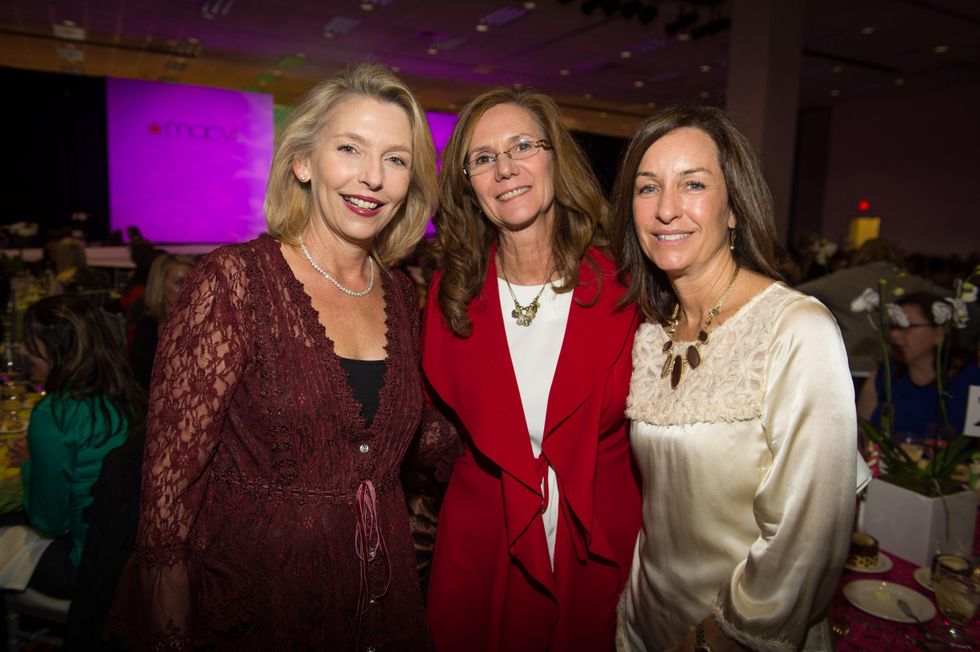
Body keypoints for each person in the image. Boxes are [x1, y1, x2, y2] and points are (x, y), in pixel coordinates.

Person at [108, 64, 451, 650]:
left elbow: (421, 436)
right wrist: (168, 628)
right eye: (350, 148)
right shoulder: (233, 282)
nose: (372, 178)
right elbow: (169, 488)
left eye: (396, 159)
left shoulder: (400, 293)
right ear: (302, 163)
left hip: (380, 595)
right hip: (260, 600)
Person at [611, 105, 863, 651]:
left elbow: (810, 531)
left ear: (733, 209)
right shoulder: (652, 333)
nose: (667, 209)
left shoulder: (796, 329)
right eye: (648, 188)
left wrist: (722, 636)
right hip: (645, 621)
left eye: (693, 184)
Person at [422, 87, 642, 650]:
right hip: (483, 543)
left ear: (555, 158)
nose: (505, 169)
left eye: (523, 145)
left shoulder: (626, 286)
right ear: (468, 185)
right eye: (483, 158)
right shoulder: (450, 296)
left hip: (598, 540)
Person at [5, 294, 144, 599]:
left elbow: (49, 522)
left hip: (89, 569)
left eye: (31, 342)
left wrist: (30, 463)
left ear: (58, 348)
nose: (25, 351)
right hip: (135, 559)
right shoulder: (128, 393)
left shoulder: (53, 414)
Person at [857, 291, 980, 440]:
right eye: (893, 327)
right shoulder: (885, 376)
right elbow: (859, 435)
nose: (894, 335)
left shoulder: (971, 380)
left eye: (906, 326)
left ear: (939, 333)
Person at [130, 254, 195, 390]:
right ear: (160, 287)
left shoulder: (202, 325)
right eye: (179, 282)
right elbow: (140, 376)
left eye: (193, 281)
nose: (189, 289)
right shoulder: (147, 326)